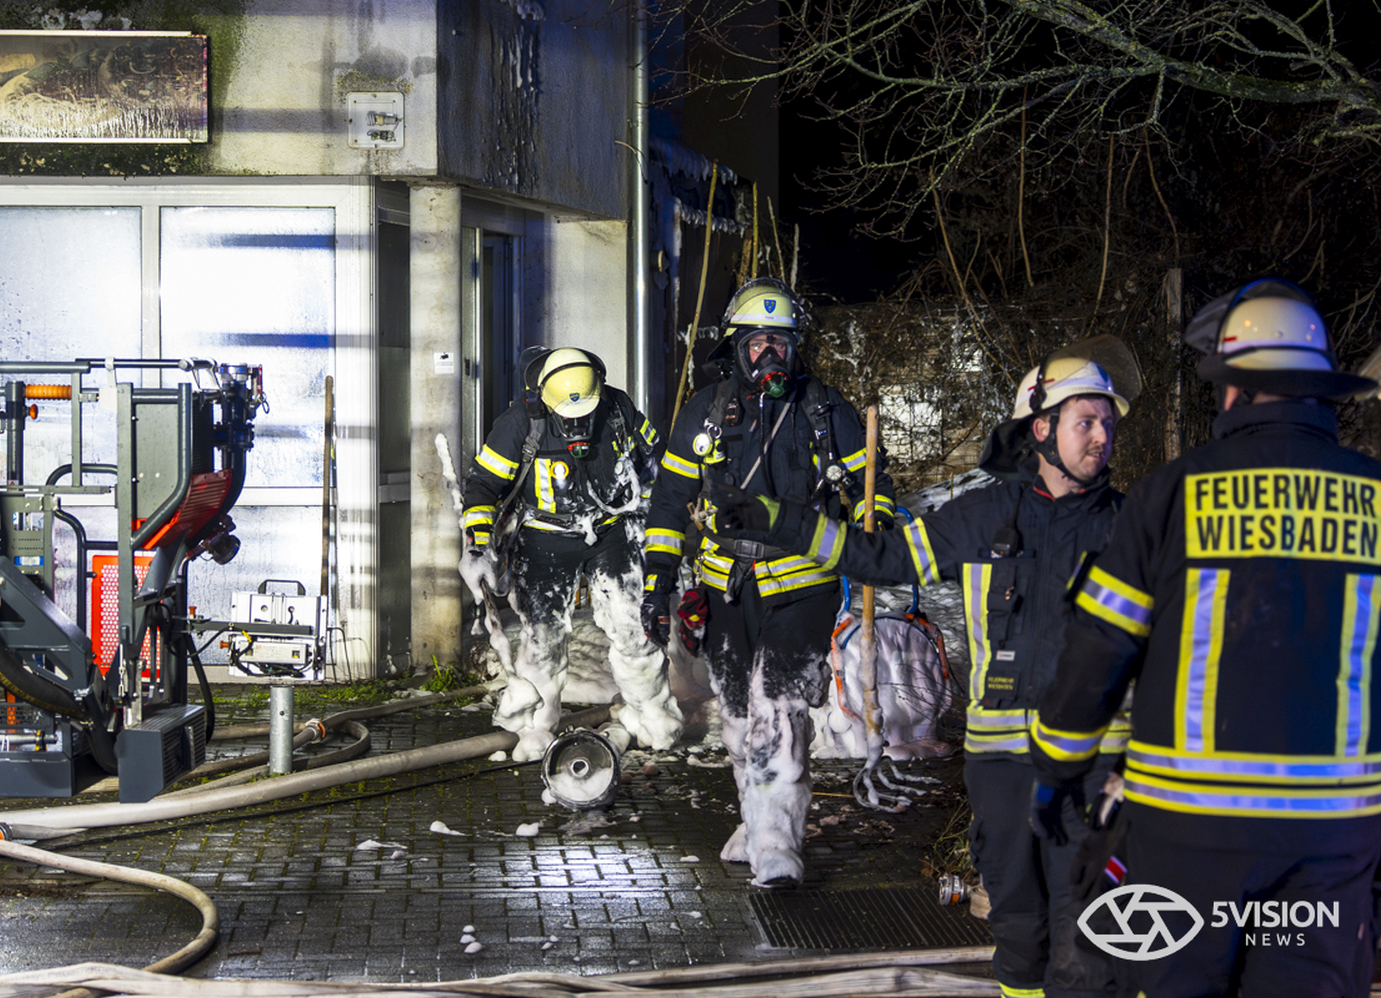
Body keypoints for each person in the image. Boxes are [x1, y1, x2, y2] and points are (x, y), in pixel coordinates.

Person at [711, 336, 1138, 996]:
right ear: (1043, 429)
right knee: (1019, 930)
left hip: (1097, 768)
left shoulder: (1135, 528)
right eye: (1088, 421)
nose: (1103, 435)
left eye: (1108, 422)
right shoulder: (985, 516)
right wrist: (782, 521)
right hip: (1004, 766)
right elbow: (878, 557)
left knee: (1092, 931)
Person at [1029, 279, 1381, 998]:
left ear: (1232, 391)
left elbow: (1101, 648)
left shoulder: (1169, 495)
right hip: (1331, 842)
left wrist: (1057, 767)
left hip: (1187, 838)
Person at [640, 277, 897, 888]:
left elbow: (871, 484)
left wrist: (875, 517)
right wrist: (658, 582)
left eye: (782, 343)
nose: (771, 356)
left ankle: (778, 845)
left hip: (803, 586)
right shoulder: (704, 412)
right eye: (759, 343)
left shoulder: (825, 409)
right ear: (736, 347)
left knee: (776, 708)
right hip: (728, 587)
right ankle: (757, 819)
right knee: (735, 713)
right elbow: (672, 502)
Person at [462, 347, 683, 763]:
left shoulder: (618, 410)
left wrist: (664, 519)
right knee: (542, 638)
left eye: (585, 413)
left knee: (633, 627)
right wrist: (479, 538)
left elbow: (659, 464)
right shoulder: (519, 425)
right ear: (545, 401)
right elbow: (482, 485)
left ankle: (653, 719)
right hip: (544, 539)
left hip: (610, 531)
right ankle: (533, 727)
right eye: (568, 414)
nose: (578, 422)